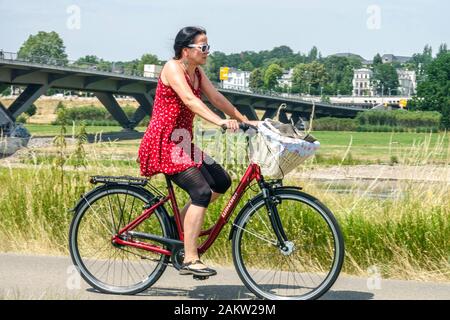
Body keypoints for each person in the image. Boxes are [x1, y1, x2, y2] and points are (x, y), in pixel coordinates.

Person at [138, 26, 259, 277]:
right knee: (201, 191)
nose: (207, 51)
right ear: (186, 50)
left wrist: (243, 119)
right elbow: (191, 101)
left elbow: (216, 98)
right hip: (165, 143)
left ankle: (176, 226)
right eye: (202, 47)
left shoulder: (197, 72)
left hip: (182, 143)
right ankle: (190, 258)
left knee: (221, 181)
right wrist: (221, 122)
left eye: (207, 47)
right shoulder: (173, 68)